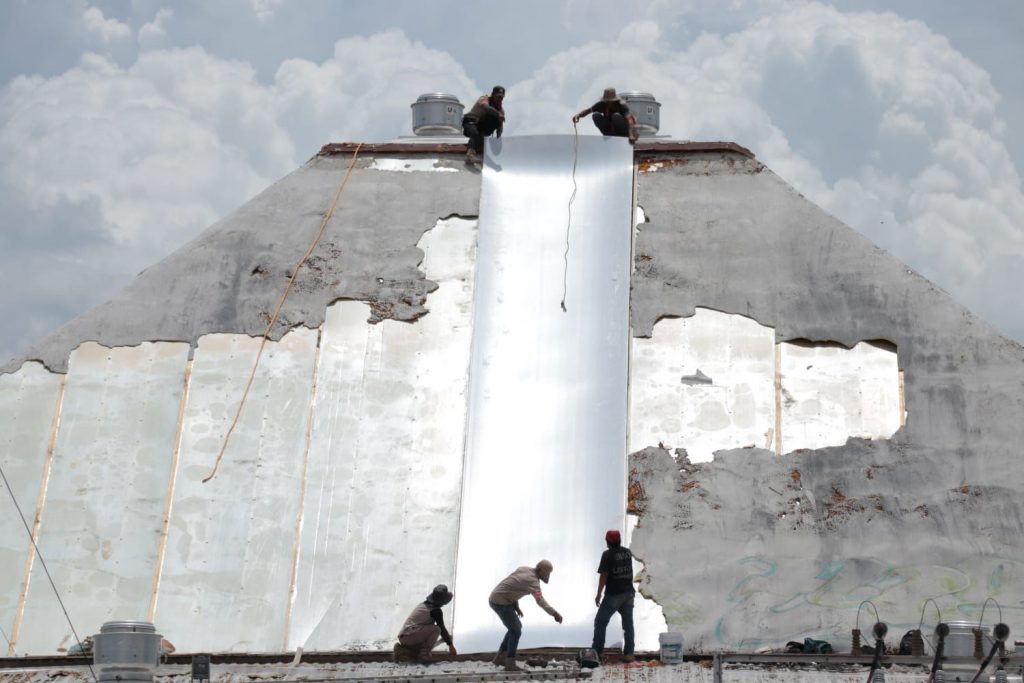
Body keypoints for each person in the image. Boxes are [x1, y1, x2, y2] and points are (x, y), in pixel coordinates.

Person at [488, 560, 563, 671]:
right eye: (548, 573)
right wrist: (554, 613)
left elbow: (512, 586)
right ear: (542, 571)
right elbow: (540, 601)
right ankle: (510, 663)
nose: (548, 576)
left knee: (514, 627)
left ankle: (500, 657)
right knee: (516, 630)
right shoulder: (533, 582)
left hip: (496, 598)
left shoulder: (524, 568)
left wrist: (516, 607)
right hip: (501, 602)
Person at [592, 530, 635, 663]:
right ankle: (629, 654)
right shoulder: (627, 552)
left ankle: (597, 653)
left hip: (614, 595)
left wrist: (598, 594)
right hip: (628, 593)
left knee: (600, 622)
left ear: (608, 541)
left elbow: (604, 575)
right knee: (628, 624)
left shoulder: (607, 555)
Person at [393, 584, 458, 664]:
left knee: (427, 643)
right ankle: (424, 655)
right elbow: (442, 628)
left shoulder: (424, 605)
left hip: (406, 636)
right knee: (436, 629)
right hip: (409, 636)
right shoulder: (435, 610)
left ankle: (402, 650)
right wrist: (451, 646)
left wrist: (446, 638)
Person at [572, 88, 637, 143]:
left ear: (614, 101)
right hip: (611, 131)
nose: (607, 103)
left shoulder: (622, 107)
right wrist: (578, 115)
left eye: (609, 101)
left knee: (616, 116)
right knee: (596, 115)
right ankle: (608, 136)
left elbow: (630, 121)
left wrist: (631, 135)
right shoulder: (603, 105)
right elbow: (588, 111)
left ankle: (622, 136)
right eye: (606, 101)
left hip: (623, 132)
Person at [462, 85, 505, 164]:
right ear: (493, 95)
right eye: (498, 97)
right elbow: (485, 107)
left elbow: (500, 124)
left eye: (501, 97)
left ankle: (481, 138)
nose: (500, 99)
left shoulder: (500, 109)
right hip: (470, 122)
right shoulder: (484, 98)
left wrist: (498, 136)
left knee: (497, 119)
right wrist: (498, 114)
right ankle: (470, 155)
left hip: (480, 126)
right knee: (474, 133)